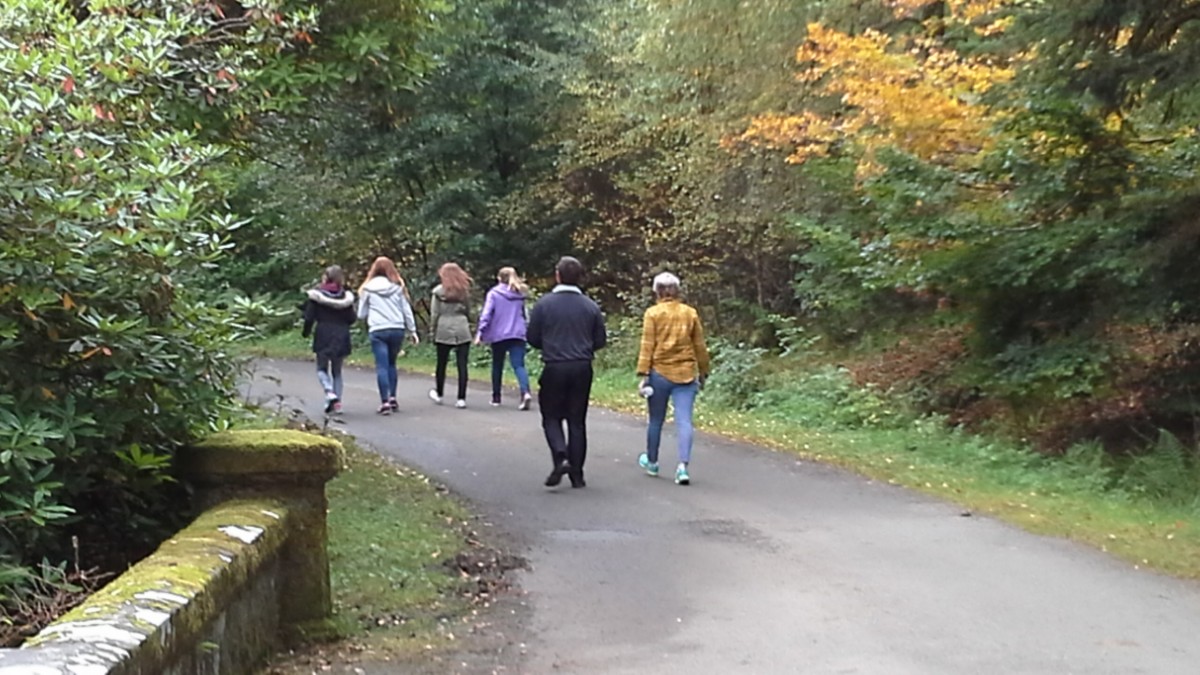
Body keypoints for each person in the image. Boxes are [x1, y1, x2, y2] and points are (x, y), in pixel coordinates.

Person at [527, 256, 607, 488]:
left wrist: (550, 345)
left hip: (555, 365)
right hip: (582, 366)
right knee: (577, 421)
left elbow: (532, 337)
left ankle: (560, 455)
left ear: (557, 275)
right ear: (580, 277)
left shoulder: (544, 304)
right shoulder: (590, 306)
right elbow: (600, 340)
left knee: (551, 416)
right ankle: (577, 475)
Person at [635, 271, 710, 485]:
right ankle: (683, 467)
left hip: (659, 373)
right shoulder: (690, 313)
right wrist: (703, 371)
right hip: (686, 374)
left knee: (655, 420)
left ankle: (652, 462)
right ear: (677, 290)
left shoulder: (652, 314)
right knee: (684, 421)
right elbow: (699, 346)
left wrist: (644, 374)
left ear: (657, 291)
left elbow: (647, 346)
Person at [357, 256, 419, 415]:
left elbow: (361, 314)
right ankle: (393, 397)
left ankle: (384, 401)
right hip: (396, 328)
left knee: (382, 366)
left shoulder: (367, 289)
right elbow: (406, 311)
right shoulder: (397, 287)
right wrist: (412, 330)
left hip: (378, 329)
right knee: (392, 363)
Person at [474, 266, 533, 410]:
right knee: (519, 365)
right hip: (518, 333)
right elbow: (525, 314)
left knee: (497, 365)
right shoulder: (519, 293)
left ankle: (496, 397)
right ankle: (525, 392)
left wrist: (480, 333)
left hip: (499, 334)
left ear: (499, 278)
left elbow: (487, 314)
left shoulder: (494, 293)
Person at [301, 265, 356, 415]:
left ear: (326, 277)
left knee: (321, 369)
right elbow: (352, 318)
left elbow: (309, 317)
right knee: (337, 372)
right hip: (341, 334)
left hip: (323, 334)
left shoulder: (316, 297)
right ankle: (337, 404)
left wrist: (306, 332)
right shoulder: (345, 297)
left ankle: (329, 392)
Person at [429, 262, 473, 409]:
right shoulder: (464, 292)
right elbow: (468, 310)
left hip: (443, 326)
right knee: (462, 364)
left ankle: (439, 393)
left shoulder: (438, 292)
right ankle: (461, 398)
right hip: (461, 327)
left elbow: (435, 313)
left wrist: (432, 331)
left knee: (441, 363)